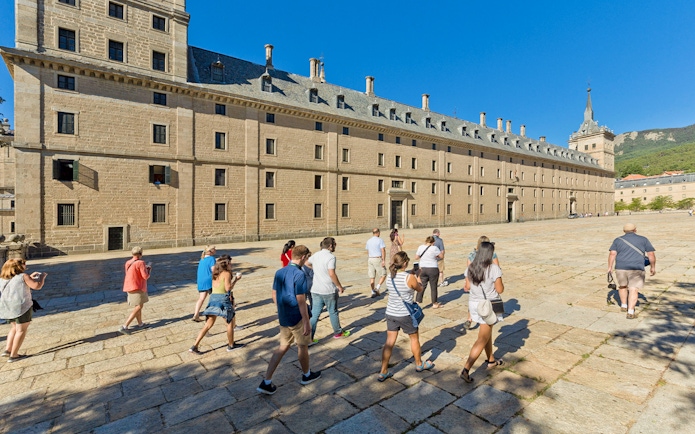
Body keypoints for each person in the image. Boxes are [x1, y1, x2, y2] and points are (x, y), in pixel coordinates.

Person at [257, 245, 321, 395]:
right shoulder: (300, 275)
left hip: (284, 316)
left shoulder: (279, 272)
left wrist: (281, 310)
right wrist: (306, 321)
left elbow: (274, 294)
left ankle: (266, 381)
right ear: (304, 257)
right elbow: (301, 300)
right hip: (296, 316)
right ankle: (306, 375)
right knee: (302, 346)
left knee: (283, 346)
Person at [378, 251, 434, 381]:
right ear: (404, 263)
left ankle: (383, 371)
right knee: (414, 338)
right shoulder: (409, 278)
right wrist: (418, 276)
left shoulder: (389, 277)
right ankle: (419, 364)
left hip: (391, 312)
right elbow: (419, 289)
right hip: (405, 314)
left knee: (389, 342)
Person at [460, 242, 505, 383]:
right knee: (481, 339)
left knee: (486, 333)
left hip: (474, 304)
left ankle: (491, 360)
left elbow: (467, 286)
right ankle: (466, 369)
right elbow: (500, 290)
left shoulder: (470, 268)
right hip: (488, 306)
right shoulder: (494, 269)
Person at [190, 256, 244, 353]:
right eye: (230, 263)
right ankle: (231, 345)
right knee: (229, 323)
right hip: (222, 300)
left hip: (213, 299)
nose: (232, 265)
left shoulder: (215, 274)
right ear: (225, 265)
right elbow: (228, 288)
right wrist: (236, 279)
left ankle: (195, 346)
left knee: (208, 325)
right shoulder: (226, 274)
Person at [0, 259, 47, 362]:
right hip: (21, 307)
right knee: (21, 330)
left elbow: (16, 284)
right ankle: (14, 355)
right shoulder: (23, 276)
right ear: (19, 266)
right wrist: (42, 277)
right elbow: (37, 286)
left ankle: (8, 350)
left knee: (14, 328)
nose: (25, 265)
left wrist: (30, 277)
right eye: (24, 264)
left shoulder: (3, 278)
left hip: (7, 307)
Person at [608, 223, 656, 319]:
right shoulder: (643, 239)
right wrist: (653, 267)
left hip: (621, 267)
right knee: (633, 289)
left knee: (622, 286)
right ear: (635, 230)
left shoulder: (618, 240)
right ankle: (630, 311)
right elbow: (651, 254)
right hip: (637, 267)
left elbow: (612, 254)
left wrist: (609, 267)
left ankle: (624, 305)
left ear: (624, 231)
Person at [308, 237, 349, 342]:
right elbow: (331, 273)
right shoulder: (331, 257)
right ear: (330, 246)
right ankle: (338, 332)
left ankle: (308, 338)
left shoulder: (316, 255)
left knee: (315, 314)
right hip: (328, 290)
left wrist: (317, 269)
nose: (335, 246)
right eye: (334, 244)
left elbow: (307, 263)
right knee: (333, 311)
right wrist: (339, 286)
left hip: (316, 289)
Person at [464, 236, 500, 329]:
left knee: (475, 297)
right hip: (489, 299)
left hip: (475, 288)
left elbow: (468, 269)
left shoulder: (471, 255)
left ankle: (469, 318)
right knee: (484, 335)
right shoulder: (493, 257)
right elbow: (500, 288)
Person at [119, 246, 152, 335]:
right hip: (138, 287)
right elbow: (145, 276)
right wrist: (148, 270)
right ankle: (125, 326)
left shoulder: (128, 262)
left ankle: (140, 323)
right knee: (139, 306)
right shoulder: (141, 263)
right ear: (140, 254)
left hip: (129, 286)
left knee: (138, 305)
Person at [414, 236, 444, 308]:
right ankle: (434, 303)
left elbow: (416, 257)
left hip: (423, 268)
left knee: (422, 285)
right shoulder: (434, 248)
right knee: (433, 287)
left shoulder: (420, 247)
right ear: (433, 242)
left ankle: (417, 302)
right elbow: (441, 256)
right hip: (433, 268)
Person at [193, 245, 216, 322]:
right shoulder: (212, 259)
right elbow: (213, 270)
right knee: (216, 296)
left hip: (201, 281)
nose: (215, 250)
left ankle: (196, 314)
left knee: (201, 298)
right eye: (214, 249)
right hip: (209, 280)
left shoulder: (202, 259)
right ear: (210, 251)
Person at [366, 228, 387, 298]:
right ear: (378, 233)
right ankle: (377, 288)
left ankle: (372, 291)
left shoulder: (368, 241)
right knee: (383, 274)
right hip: (377, 258)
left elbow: (368, 251)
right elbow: (383, 250)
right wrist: (383, 260)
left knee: (372, 277)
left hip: (370, 259)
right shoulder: (380, 240)